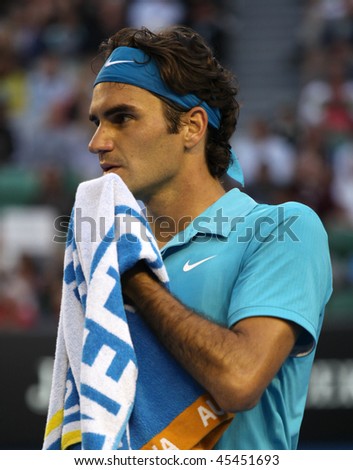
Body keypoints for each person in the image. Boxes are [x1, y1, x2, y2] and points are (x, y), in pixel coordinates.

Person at [87, 25, 332, 449]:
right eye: (97, 121)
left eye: (122, 117)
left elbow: (239, 381)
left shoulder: (283, 228)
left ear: (191, 126)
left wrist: (133, 276)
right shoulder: (110, 246)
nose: (97, 142)